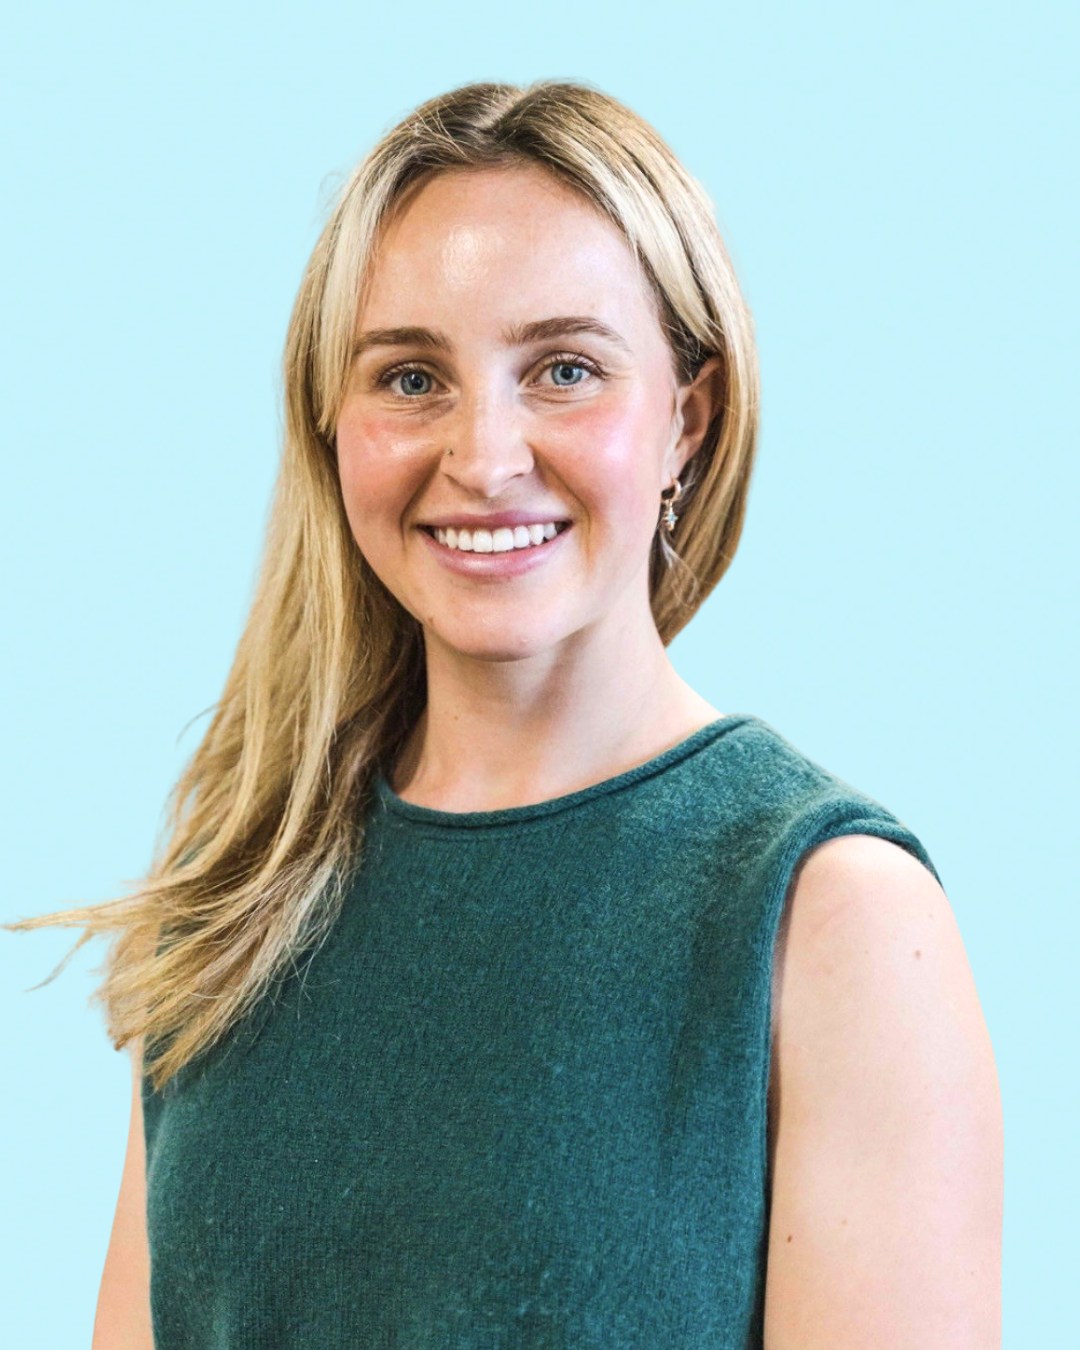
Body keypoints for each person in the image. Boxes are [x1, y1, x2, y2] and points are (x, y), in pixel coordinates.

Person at [6, 79, 1002, 1348]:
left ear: (686, 418)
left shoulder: (831, 909)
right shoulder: (242, 883)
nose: (483, 456)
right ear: (333, 423)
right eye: (411, 377)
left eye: (565, 370)